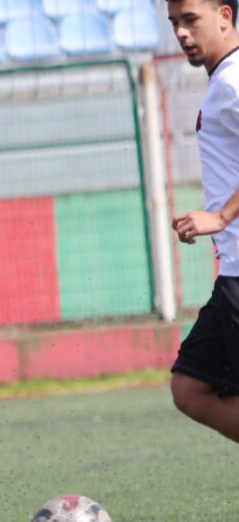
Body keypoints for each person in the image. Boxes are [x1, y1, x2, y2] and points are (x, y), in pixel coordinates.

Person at [168, 0, 239, 444]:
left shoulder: (233, 81)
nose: (181, 32)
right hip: (232, 270)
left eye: (190, 19)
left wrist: (221, 215)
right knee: (191, 387)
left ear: (225, 16)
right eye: (174, 22)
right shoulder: (223, 82)